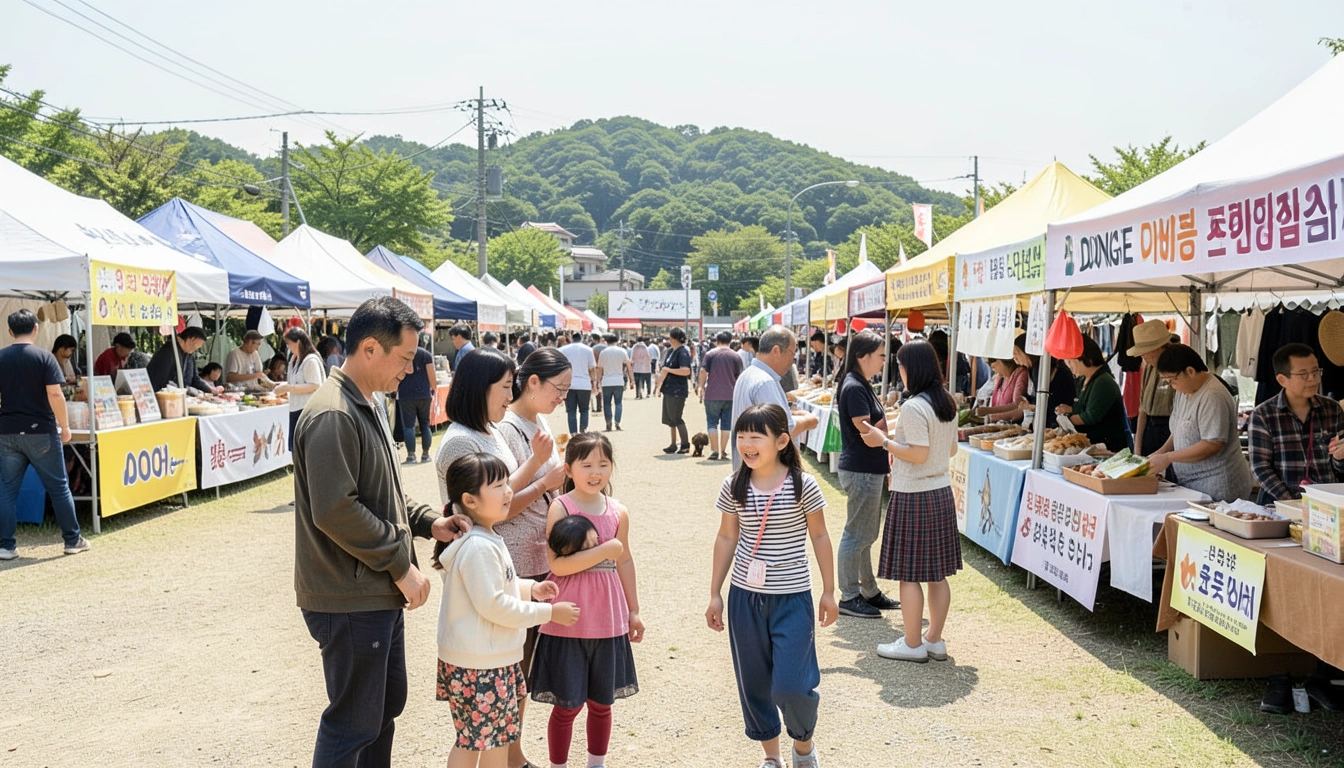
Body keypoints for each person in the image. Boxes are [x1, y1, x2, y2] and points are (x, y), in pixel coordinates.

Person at [293, 296, 472, 766]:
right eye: (406, 358)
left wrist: (428, 521)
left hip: (372, 590)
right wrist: (401, 564)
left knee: (380, 711)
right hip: (351, 594)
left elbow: (383, 492)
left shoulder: (365, 403)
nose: (410, 371)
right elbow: (337, 510)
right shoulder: (334, 413)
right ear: (370, 348)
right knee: (353, 721)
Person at [706, 403, 835, 768]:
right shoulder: (733, 484)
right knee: (755, 682)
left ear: (781, 441)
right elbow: (727, 538)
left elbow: (821, 535)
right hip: (745, 598)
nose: (746, 444)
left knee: (792, 684)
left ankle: (804, 747)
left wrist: (829, 590)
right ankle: (772, 757)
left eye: (755, 436)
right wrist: (715, 593)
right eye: (741, 436)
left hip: (793, 598)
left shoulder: (802, 484)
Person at [432, 452, 579, 768]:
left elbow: (499, 587)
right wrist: (548, 613)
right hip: (482, 664)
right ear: (470, 500)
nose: (508, 491)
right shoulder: (479, 546)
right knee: (484, 745)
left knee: (480, 742)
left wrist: (531, 589)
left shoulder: (486, 537)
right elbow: (494, 605)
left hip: (487, 660)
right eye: (498, 486)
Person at [531, 433, 643, 768]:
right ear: (569, 469)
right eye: (587, 464)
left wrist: (634, 611)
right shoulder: (561, 506)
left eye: (603, 464)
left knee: (602, 703)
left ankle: (597, 763)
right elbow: (557, 564)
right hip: (568, 619)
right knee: (566, 705)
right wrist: (605, 551)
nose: (596, 472)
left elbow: (625, 560)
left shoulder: (618, 511)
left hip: (607, 620)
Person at [860, 340, 960, 663]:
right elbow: (951, 450)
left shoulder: (914, 406)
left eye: (900, 366)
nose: (898, 371)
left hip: (914, 494)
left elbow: (918, 453)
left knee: (910, 573)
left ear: (911, 368)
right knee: (937, 573)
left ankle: (913, 643)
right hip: (941, 491)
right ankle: (934, 639)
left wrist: (884, 441)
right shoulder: (946, 402)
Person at [497, 348, 571, 768]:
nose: (561, 396)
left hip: (542, 554)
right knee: (517, 664)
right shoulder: (507, 429)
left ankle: (513, 752)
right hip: (518, 558)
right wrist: (547, 476)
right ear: (533, 384)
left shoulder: (538, 421)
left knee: (527, 665)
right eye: (557, 389)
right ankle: (513, 755)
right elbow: (502, 500)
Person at [0, 309, 87, 560]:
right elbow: (55, 394)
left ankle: (6, 546)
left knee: (6, 490)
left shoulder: (2, 357)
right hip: (41, 432)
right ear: (36, 329)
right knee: (59, 487)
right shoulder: (44, 358)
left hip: (7, 432)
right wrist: (66, 426)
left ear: (10, 331)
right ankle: (72, 540)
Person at [833, 331, 901, 620]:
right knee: (856, 534)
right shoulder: (854, 386)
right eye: (881, 356)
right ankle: (849, 595)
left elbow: (872, 429)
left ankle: (868, 590)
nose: (884, 361)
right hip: (861, 468)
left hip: (867, 468)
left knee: (865, 534)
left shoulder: (860, 384)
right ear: (863, 356)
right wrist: (892, 435)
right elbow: (866, 430)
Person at [1146, 344, 1254, 502]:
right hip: (1191, 483)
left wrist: (1168, 458)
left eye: (1173, 380)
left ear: (1190, 371)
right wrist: (1160, 453)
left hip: (1220, 485)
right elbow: (1178, 430)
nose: (1172, 386)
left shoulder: (1213, 395)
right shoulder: (1184, 391)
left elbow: (1212, 444)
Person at [1248, 343, 1344, 504]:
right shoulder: (1263, 415)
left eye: (1315, 371)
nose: (1313, 379)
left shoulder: (1332, 409)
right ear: (1282, 379)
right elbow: (1260, 468)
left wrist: (1340, 458)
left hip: (1325, 506)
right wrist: (1291, 502)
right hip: (1279, 505)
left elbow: (1338, 467)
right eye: (1303, 374)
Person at [732, 326, 821, 468]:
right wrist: (807, 421)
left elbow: (768, 418)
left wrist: (791, 414)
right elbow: (784, 429)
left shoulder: (749, 375)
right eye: (792, 354)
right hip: (765, 473)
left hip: (752, 468)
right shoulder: (764, 382)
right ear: (776, 351)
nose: (792, 361)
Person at [1055, 336, 1129, 452]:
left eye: (1070, 362)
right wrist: (1070, 410)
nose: (1069, 367)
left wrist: (1066, 420)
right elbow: (1081, 408)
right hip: (1092, 447)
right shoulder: (1083, 379)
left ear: (1084, 357)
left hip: (1107, 448)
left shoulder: (1103, 381)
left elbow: (1090, 417)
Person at [1128, 319, 1177, 456]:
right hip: (1150, 429)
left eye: (1145, 351)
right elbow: (1142, 409)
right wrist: (1137, 450)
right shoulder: (1148, 366)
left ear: (1160, 347)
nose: (1143, 356)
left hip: (1171, 430)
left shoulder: (1178, 368)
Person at [274, 327, 325, 451]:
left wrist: (288, 388)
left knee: (306, 448)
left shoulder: (310, 360)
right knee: (296, 448)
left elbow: (314, 385)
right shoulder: (295, 359)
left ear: (298, 342)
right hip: (296, 408)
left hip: (308, 410)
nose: (288, 347)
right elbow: (295, 382)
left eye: (289, 343)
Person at [699, 331, 744, 460]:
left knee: (712, 423)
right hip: (730, 395)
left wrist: (700, 387)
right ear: (730, 341)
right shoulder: (736, 356)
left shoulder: (710, 354)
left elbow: (703, 371)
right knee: (726, 424)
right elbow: (739, 376)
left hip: (712, 394)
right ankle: (723, 451)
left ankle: (714, 450)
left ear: (717, 340)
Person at [395, 335, 436, 464]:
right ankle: (425, 454)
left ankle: (411, 455)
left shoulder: (401, 354)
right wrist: (432, 388)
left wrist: (393, 391)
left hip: (406, 394)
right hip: (424, 394)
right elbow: (432, 374)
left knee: (408, 426)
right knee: (425, 424)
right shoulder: (426, 355)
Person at [654, 327, 694, 454]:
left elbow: (686, 370)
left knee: (677, 417)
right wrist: (659, 386)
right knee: (670, 419)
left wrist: (668, 370)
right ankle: (673, 443)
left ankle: (685, 444)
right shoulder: (671, 351)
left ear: (673, 338)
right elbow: (664, 370)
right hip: (669, 389)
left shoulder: (683, 352)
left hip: (677, 390)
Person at [147, 327, 221, 393]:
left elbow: (195, 379)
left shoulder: (189, 353)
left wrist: (211, 389)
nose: (196, 349)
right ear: (191, 340)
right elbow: (159, 382)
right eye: (197, 346)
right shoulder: (168, 351)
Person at [559, 333, 597, 435]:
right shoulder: (588, 350)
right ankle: (583, 430)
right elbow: (592, 368)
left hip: (569, 384)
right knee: (584, 410)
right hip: (584, 384)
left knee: (571, 411)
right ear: (581, 338)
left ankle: (573, 433)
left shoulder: (563, 350)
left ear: (572, 339)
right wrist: (594, 383)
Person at [597, 333, 632, 432]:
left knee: (607, 403)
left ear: (607, 341)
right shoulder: (622, 351)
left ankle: (608, 422)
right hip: (618, 380)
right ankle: (617, 422)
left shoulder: (603, 352)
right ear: (617, 341)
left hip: (606, 381)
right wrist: (632, 379)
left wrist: (598, 381)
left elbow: (599, 368)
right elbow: (628, 365)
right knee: (618, 403)